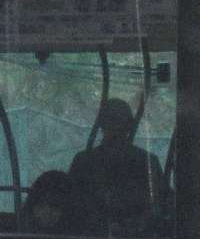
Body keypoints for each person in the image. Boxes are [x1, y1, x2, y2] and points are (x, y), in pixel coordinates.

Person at [69, 98, 165, 229]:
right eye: (110, 121)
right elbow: (71, 204)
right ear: (101, 124)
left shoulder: (147, 162)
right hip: (91, 235)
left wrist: (133, 224)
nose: (115, 128)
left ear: (129, 127)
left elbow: (160, 205)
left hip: (136, 237)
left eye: (120, 123)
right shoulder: (83, 161)